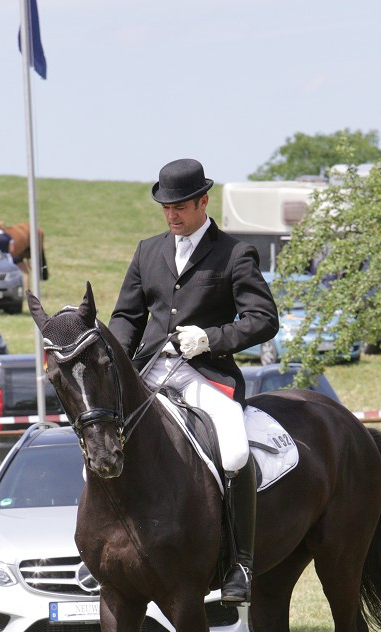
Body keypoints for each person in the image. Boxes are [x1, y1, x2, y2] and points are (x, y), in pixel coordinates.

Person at [108, 158, 279, 605]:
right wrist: (118, 368)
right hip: (151, 371)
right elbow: (127, 316)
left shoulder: (234, 253)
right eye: (166, 207)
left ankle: (239, 562)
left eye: (180, 206)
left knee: (236, 448)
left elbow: (264, 320)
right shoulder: (148, 251)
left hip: (206, 371)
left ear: (204, 201)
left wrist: (213, 338)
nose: (172, 215)